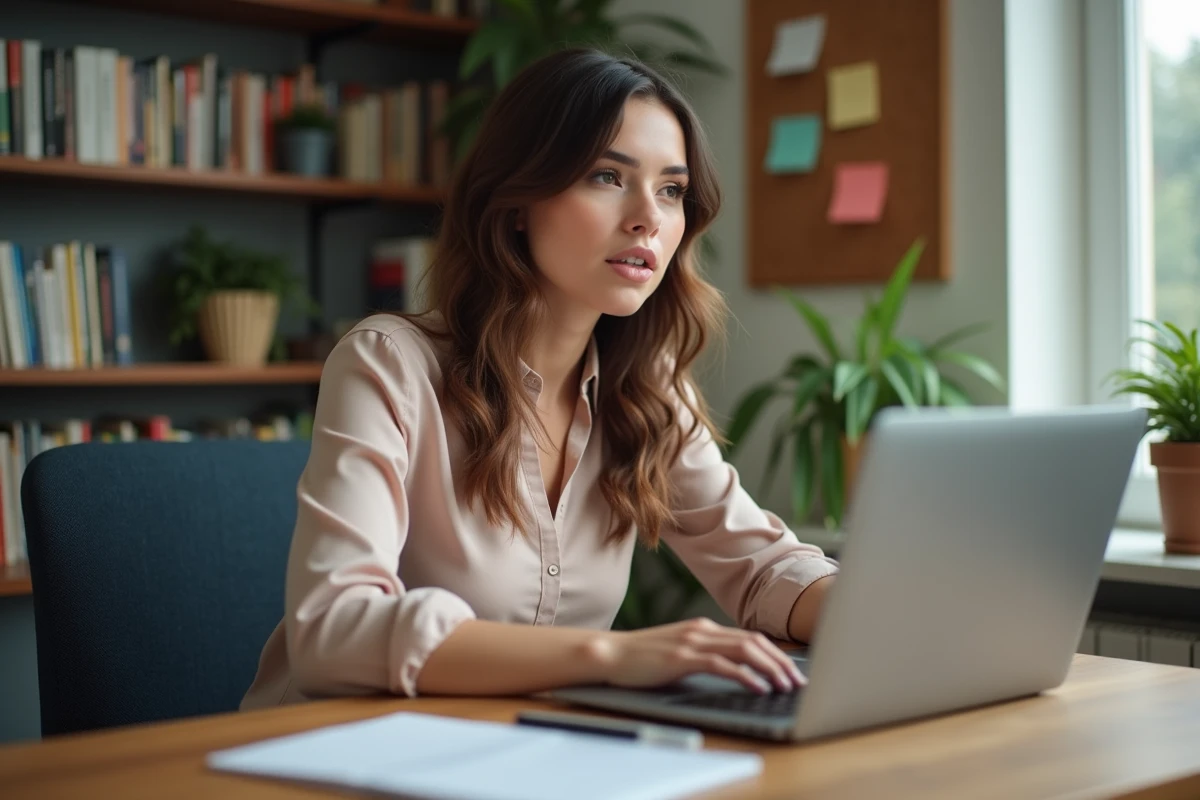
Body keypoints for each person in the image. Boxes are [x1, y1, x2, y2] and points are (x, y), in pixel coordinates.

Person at [240, 48, 838, 711]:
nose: (649, 216)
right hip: (327, 752)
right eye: (608, 176)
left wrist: (898, 615)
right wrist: (613, 655)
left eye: (671, 189)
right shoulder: (388, 364)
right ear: (517, 201)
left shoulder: (643, 388)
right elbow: (334, 632)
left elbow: (762, 569)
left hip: (519, 754)